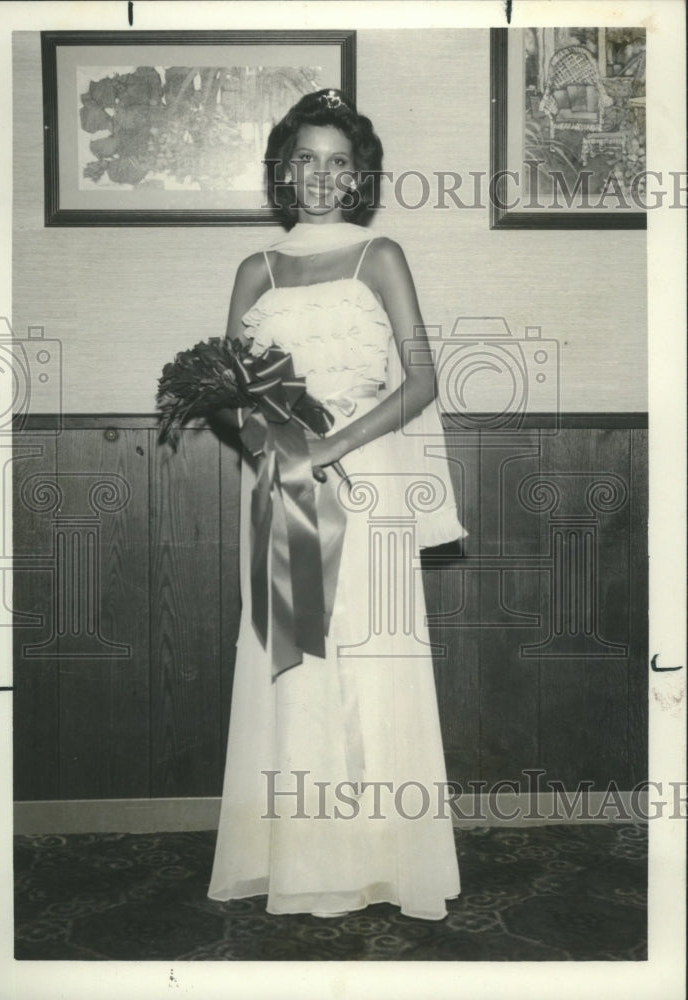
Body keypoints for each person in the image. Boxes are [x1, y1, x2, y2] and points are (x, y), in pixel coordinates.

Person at [208, 88, 466, 920]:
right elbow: (224, 392)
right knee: (295, 662)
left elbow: (423, 380)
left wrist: (327, 447)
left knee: (369, 662)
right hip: (282, 485)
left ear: (359, 178)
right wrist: (272, 452)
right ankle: (299, 858)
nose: (321, 177)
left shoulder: (380, 256)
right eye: (306, 160)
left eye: (338, 163)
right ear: (286, 170)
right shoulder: (256, 268)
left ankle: (383, 859)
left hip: (366, 481)